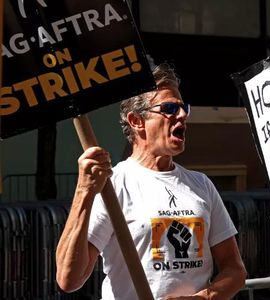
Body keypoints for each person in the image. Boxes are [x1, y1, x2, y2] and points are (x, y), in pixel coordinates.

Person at [56, 63, 247, 300]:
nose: (183, 115)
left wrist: (203, 298)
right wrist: (84, 191)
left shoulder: (201, 184)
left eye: (183, 107)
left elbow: (235, 270)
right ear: (136, 121)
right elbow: (69, 279)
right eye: (169, 108)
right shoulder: (112, 185)